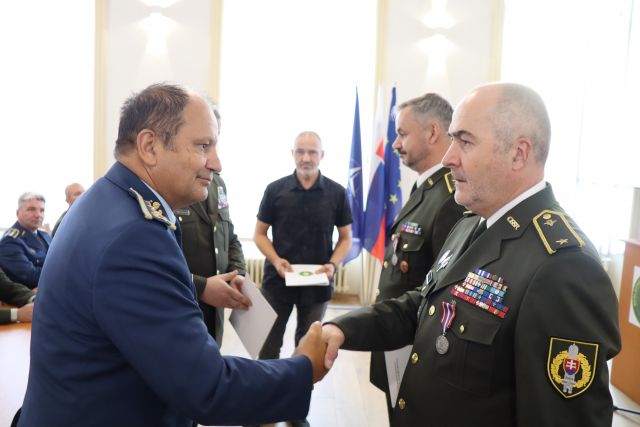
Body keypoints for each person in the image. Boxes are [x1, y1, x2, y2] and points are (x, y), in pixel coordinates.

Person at [17, 83, 328, 427]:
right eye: (203, 146)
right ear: (150, 146)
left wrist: (204, 286)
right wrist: (304, 369)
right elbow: (209, 388)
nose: (217, 163)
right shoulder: (133, 235)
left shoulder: (110, 200)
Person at [322, 82, 621, 426]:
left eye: (465, 141)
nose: (448, 158)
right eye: (452, 140)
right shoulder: (470, 223)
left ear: (518, 154)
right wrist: (344, 328)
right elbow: (426, 306)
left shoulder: (564, 266)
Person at [371, 93, 466, 417]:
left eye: (402, 133)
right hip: (397, 339)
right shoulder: (425, 189)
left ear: (432, 132)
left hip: (416, 350)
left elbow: (444, 291)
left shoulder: (450, 198)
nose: (396, 144)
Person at [254, 131, 352, 427]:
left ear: (322, 155)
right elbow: (260, 234)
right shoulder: (275, 190)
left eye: (312, 152)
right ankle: (264, 407)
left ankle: (295, 412)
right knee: (268, 348)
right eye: (300, 151)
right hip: (277, 282)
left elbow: (346, 238)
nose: (306, 157)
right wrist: (275, 260)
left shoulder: (336, 193)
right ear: (292, 154)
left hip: (317, 286)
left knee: (306, 350)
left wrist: (333, 264)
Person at [177, 104, 250, 346]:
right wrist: (202, 287)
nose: (214, 159)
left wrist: (238, 274)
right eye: (204, 145)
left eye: (215, 141)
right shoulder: (168, 188)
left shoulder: (217, 183)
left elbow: (228, 235)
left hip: (216, 306)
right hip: (183, 300)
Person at [0, 192, 50, 288]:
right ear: (18, 213)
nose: (38, 215)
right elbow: (31, 277)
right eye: (31, 209)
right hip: (31, 294)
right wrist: (60, 270)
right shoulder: (10, 241)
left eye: (42, 210)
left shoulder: (44, 235)